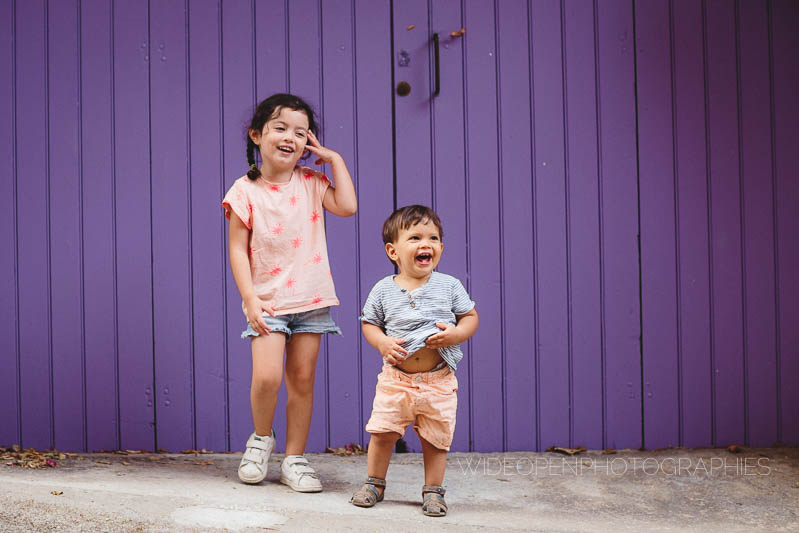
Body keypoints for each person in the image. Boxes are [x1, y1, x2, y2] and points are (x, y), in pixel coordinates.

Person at [222, 93, 357, 492]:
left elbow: (348, 207)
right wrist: (249, 297)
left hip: (311, 300)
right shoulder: (245, 191)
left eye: (300, 132)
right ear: (256, 135)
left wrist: (335, 160)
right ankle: (262, 438)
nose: (290, 138)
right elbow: (236, 248)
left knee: (302, 380)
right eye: (280, 128)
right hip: (268, 301)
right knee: (266, 378)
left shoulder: (314, 183)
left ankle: (295, 458)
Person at [350, 205, 478, 516]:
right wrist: (381, 342)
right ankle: (374, 483)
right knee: (382, 433)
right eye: (415, 237)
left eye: (433, 238)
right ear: (393, 251)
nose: (426, 244)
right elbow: (369, 322)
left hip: (438, 379)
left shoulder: (449, 286)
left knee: (436, 439)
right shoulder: (383, 289)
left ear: (441, 248)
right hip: (396, 379)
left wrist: (456, 335)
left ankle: (433, 490)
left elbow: (470, 316)